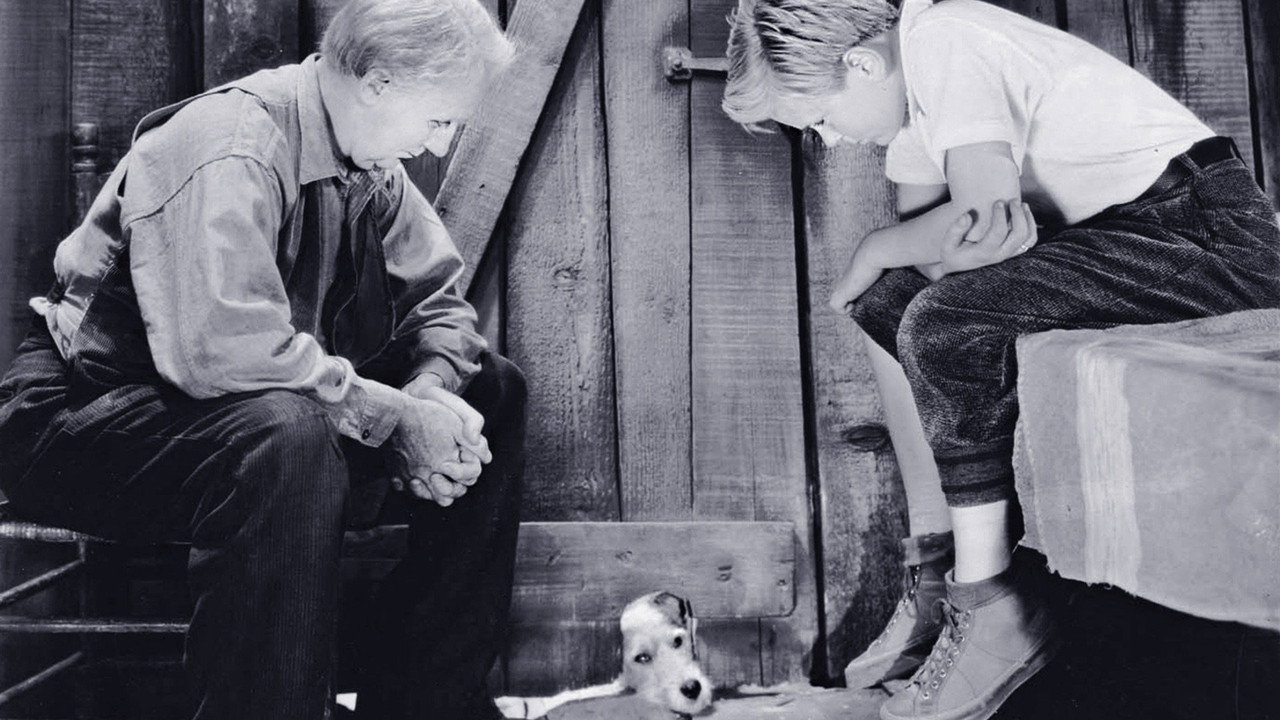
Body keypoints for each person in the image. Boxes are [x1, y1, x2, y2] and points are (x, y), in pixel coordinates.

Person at [721, 0, 1280, 718]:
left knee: (944, 324)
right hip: (1126, 238)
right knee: (890, 306)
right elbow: (938, 261)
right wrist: (891, 264)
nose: (829, 141)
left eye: (820, 119)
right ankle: (937, 563)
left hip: (1206, 237)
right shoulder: (913, 108)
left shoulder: (945, 40)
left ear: (861, 64)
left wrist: (873, 248)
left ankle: (990, 605)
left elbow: (989, 227)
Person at [0, 1, 525, 719]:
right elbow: (223, 353)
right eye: (438, 121)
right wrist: (396, 417)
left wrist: (430, 393)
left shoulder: (367, 160)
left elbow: (438, 303)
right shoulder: (231, 145)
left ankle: (426, 705)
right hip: (79, 417)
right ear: (378, 84)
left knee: (490, 389)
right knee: (289, 434)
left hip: (228, 417)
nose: (437, 145)